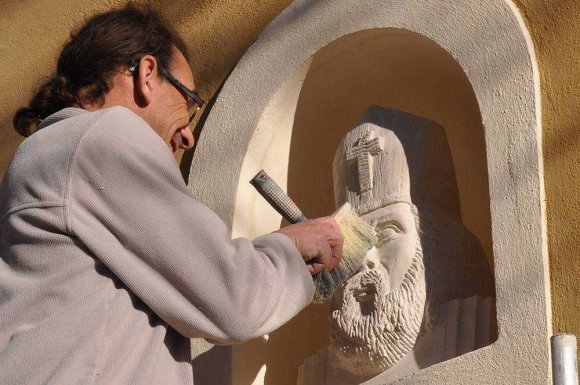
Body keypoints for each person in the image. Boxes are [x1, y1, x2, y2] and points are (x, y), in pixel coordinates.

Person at [0, 4, 343, 385]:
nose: (187, 136)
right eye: (190, 103)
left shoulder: (50, 156)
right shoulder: (102, 139)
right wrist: (290, 246)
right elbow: (235, 300)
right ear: (147, 75)